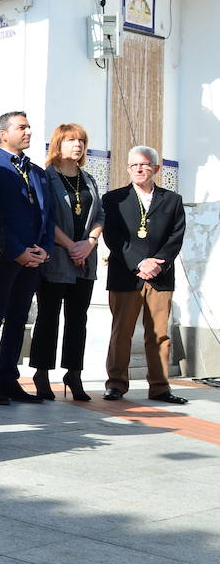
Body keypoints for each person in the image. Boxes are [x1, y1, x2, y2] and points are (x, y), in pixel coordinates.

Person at [0, 111, 52, 405]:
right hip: (4, 258)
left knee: (18, 319)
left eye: (29, 126)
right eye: (22, 127)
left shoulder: (37, 172)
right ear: (4, 134)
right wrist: (17, 251)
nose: (29, 131)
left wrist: (45, 250)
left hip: (34, 258)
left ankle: (8, 378)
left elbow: (47, 215)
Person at [102, 146, 188, 403]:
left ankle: (160, 387)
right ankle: (116, 384)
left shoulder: (172, 199)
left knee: (159, 334)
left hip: (160, 276)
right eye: (134, 165)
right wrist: (139, 262)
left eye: (145, 165)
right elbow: (113, 237)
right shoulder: (113, 198)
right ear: (127, 168)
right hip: (126, 274)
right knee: (121, 331)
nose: (139, 169)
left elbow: (176, 235)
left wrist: (157, 263)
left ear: (156, 168)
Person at [28, 124, 103, 401]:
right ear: (58, 144)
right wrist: (71, 245)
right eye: (72, 140)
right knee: (48, 318)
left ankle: (74, 373)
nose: (78, 145)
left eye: (82, 141)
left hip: (84, 260)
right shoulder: (46, 178)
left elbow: (100, 215)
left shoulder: (89, 179)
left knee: (78, 320)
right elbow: (45, 218)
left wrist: (89, 243)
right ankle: (41, 373)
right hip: (57, 258)